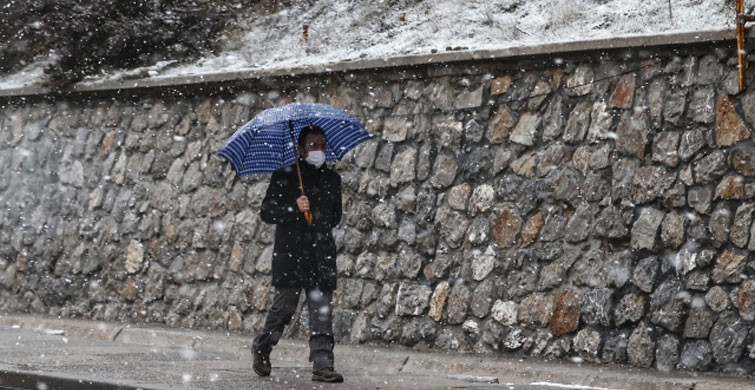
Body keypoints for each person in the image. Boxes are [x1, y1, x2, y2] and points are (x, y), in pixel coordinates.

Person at [252, 125, 344, 383]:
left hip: (320, 253)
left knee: (321, 310)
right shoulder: (284, 176)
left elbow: (335, 216)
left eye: (323, 145)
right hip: (291, 253)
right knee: (284, 308)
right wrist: (295, 207)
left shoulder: (332, 180)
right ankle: (262, 347)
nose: (320, 151)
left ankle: (323, 364)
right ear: (300, 149)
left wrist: (316, 212)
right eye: (314, 146)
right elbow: (267, 213)